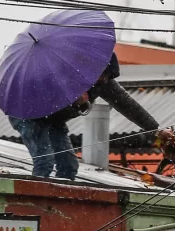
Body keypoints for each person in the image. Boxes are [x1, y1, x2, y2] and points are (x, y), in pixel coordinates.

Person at [9, 52, 163, 180]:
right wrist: (71, 98)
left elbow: (128, 105)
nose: (104, 79)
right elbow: (44, 98)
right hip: (27, 113)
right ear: (91, 69)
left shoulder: (103, 82)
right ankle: (35, 205)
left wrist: (155, 129)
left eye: (109, 76)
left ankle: (60, 202)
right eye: (103, 74)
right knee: (45, 161)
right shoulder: (61, 73)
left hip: (54, 121)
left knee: (69, 166)